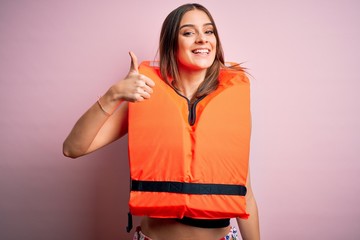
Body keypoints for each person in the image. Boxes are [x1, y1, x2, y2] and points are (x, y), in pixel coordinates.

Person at [63, 3, 260, 240]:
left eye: (209, 31)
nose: (202, 39)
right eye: (188, 32)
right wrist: (113, 95)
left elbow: (245, 193)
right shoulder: (146, 96)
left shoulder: (232, 103)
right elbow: (73, 148)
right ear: (171, 44)